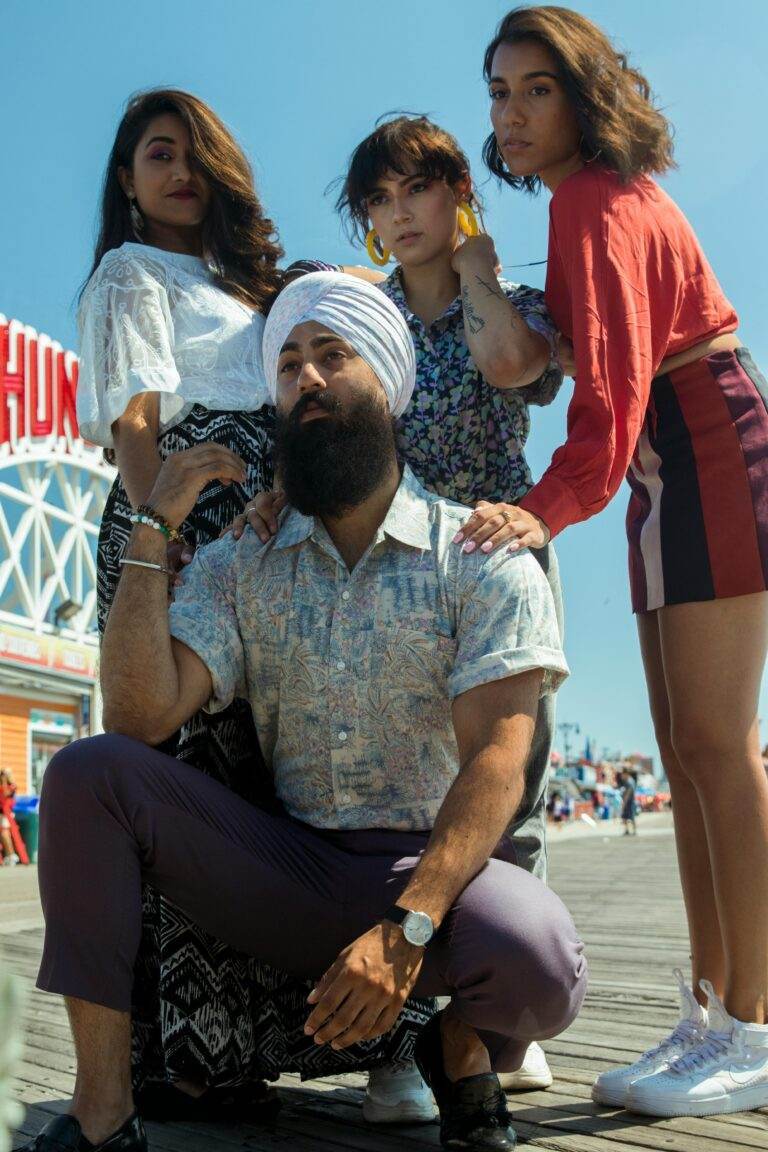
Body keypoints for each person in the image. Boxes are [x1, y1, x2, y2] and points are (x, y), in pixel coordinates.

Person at [23, 272, 586, 1152]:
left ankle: (459, 1044)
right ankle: (102, 1119)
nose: (308, 378)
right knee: (89, 773)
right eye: (287, 365)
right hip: (285, 868)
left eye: (333, 354)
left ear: (390, 382)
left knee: (541, 959)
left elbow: (498, 764)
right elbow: (140, 715)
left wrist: (410, 927)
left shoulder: (479, 554)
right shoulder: (242, 557)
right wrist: (153, 522)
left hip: (427, 874)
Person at [456, 4, 768, 1119]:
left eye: (538, 87)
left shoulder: (597, 198)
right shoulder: (580, 208)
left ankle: (754, 1026)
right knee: (685, 754)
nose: (515, 111)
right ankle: (709, 1010)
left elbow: (614, 393)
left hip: (700, 439)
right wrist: (488, 276)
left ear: (584, 95)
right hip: (658, 461)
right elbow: (554, 360)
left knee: (719, 748)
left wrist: (541, 510)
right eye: (500, 92)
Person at [78, 87, 408, 1118]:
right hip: (185, 509)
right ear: (127, 184)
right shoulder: (131, 271)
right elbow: (137, 417)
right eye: (155, 155)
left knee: (271, 769)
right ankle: (180, 1055)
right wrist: (159, 533)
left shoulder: (262, 286)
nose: (179, 170)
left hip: (278, 513)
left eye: (193, 153)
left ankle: (260, 1044)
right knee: (185, 774)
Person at [239, 115, 567, 1095]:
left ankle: (493, 1017)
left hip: (498, 557)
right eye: (378, 200)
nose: (398, 212)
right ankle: (405, 1038)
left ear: (453, 191)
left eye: (415, 188)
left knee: (519, 790)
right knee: (405, 795)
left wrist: (476, 271)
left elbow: (524, 368)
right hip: (396, 573)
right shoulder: (360, 317)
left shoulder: (506, 297)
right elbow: (327, 427)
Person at [0, 770, 27, 867]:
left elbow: (6, 794)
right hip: (2, 814)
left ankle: (11, 855)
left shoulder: (11, 786)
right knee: (4, 835)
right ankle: (8, 855)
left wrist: (4, 781)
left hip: (7, 814)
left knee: (5, 834)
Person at [619, 772, 637, 836]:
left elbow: (627, 794)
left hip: (629, 803)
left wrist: (624, 804)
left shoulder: (629, 783)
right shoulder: (625, 784)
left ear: (626, 775)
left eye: (623, 775)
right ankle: (627, 830)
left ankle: (634, 831)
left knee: (631, 817)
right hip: (627, 803)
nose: (621, 776)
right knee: (625, 817)